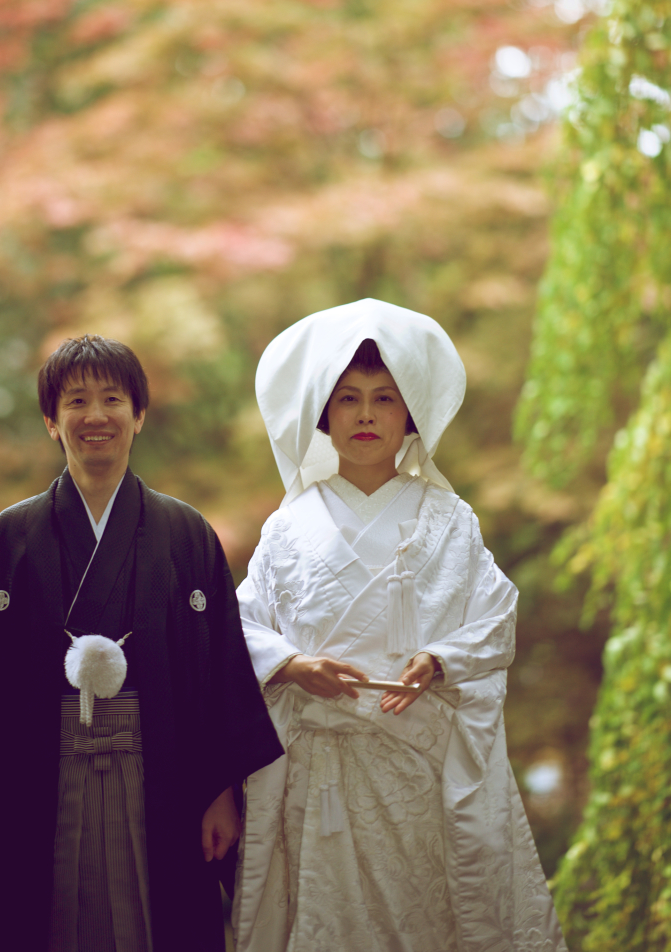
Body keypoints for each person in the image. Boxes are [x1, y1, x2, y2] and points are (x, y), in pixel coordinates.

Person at [0, 334, 283, 952]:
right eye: (77, 401)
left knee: (162, 922)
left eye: (113, 398)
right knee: (49, 923)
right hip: (36, 778)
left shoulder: (186, 535)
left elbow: (219, 672)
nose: (96, 415)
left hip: (166, 774)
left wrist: (220, 790)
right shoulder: (10, 537)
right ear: (52, 421)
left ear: (140, 415)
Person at [232, 298, 567, 952]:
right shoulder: (286, 529)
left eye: (384, 399)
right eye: (348, 398)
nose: (364, 414)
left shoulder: (449, 520)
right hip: (318, 768)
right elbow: (240, 626)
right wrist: (291, 666)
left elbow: (495, 616)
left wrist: (441, 659)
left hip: (420, 773)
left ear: (409, 414)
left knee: (429, 920)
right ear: (323, 416)